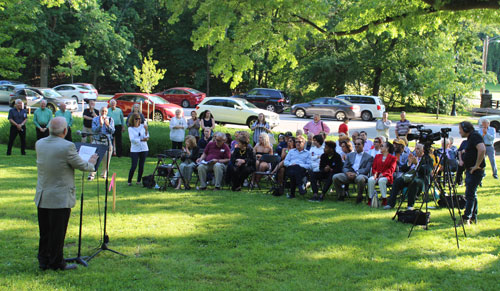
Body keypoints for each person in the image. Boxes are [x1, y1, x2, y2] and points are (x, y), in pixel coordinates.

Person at [35, 117, 98, 271]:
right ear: (65, 130)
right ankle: (56, 262)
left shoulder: (40, 143)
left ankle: (44, 260)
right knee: (58, 232)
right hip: (59, 196)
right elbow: (81, 164)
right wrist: (92, 163)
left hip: (43, 195)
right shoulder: (67, 146)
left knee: (45, 231)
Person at [384, 143, 433, 210]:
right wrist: (408, 163)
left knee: (414, 182)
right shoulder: (413, 157)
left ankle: (410, 205)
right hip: (408, 177)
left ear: (423, 150)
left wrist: (417, 164)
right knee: (397, 181)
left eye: (418, 149)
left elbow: (427, 171)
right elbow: (403, 169)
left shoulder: (428, 159)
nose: (416, 150)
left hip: (420, 179)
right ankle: (390, 204)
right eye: (415, 148)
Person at [458, 121, 486, 225]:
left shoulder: (474, 136)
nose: (459, 132)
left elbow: (482, 149)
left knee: (469, 195)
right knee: (472, 194)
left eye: (460, 129)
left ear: (466, 129)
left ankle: (466, 218)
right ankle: (473, 217)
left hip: (475, 171)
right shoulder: (471, 137)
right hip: (471, 170)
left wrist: (476, 165)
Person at [332, 138, 374, 202]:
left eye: (358, 144)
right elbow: (345, 167)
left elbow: (366, 170)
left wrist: (356, 173)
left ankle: (359, 196)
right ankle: (341, 195)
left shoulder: (369, 157)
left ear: (363, 145)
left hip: (360, 175)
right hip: (349, 174)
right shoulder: (350, 155)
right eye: (355, 144)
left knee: (360, 179)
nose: (356, 145)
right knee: (335, 177)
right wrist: (347, 173)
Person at [367, 141, 397, 206]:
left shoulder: (393, 158)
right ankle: (370, 199)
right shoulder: (377, 156)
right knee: (370, 180)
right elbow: (374, 167)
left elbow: (392, 169)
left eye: (382, 146)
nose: (380, 147)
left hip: (387, 176)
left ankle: (384, 199)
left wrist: (383, 174)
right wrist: (376, 174)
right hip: (376, 175)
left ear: (387, 148)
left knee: (381, 180)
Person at [89, 106, 115, 180]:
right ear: (100, 112)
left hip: (107, 141)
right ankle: (92, 174)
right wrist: (100, 125)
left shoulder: (110, 119)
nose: (104, 113)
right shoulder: (95, 119)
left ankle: (104, 174)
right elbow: (94, 130)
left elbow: (112, 131)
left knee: (106, 159)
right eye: (102, 111)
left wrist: (107, 125)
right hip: (97, 141)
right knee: (94, 158)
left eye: (105, 111)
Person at [127, 113, 149, 186]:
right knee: (134, 165)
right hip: (135, 149)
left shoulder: (143, 126)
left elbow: (147, 136)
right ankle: (129, 180)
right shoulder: (130, 128)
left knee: (141, 165)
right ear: (132, 120)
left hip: (144, 148)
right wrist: (141, 140)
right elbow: (132, 139)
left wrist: (146, 130)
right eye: (136, 119)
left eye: (139, 119)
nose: (138, 120)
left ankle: (138, 180)